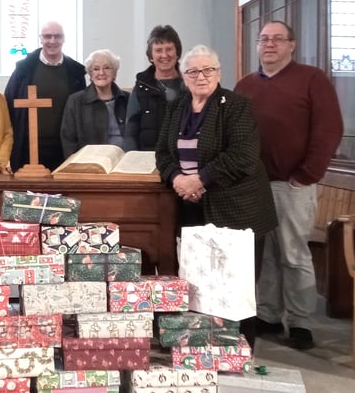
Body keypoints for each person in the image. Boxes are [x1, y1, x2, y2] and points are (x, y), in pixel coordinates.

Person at [155, 44, 278, 348]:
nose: (201, 76)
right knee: (199, 280)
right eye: (193, 71)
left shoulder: (235, 105)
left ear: (219, 73)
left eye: (208, 70)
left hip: (237, 207)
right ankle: (202, 347)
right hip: (191, 207)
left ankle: (239, 348)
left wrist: (200, 180)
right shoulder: (177, 106)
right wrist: (177, 179)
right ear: (184, 76)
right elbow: (162, 152)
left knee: (235, 283)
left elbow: (243, 155)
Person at [235, 21, 344, 350]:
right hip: (255, 186)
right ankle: (268, 313)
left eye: (277, 39)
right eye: (264, 39)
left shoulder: (312, 79)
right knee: (266, 255)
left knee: (294, 254)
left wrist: (306, 173)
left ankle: (300, 322)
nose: (269, 44)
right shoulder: (245, 85)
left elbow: (329, 130)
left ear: (291, 45)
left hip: (292, 184)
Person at [5, 20, 86, 171]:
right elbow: (9, 103)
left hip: (64, 148)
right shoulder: (24, 69)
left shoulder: (75, 71)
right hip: (28, 147)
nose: (52, 41)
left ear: (64, 39)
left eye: (57, 36)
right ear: (40, 39)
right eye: (47, 36)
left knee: (62, 193)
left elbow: (81, 108)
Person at [124, 24, 185, 151]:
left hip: (182, 160)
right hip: (146, 159)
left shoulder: (190, 84)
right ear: (151, 57)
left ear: (177, 53)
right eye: (158, 50)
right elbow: (130, 131)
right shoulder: (141, 87)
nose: (164, 55)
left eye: (169, 49)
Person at [60, 49, 129, 157]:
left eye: (107, 68)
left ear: (114, 73)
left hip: (124, 161)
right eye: (96, 69)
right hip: (91, 164)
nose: (101, 73)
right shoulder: (75, 101)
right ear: (90, 75)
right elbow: (69, 140)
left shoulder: (128, 99)